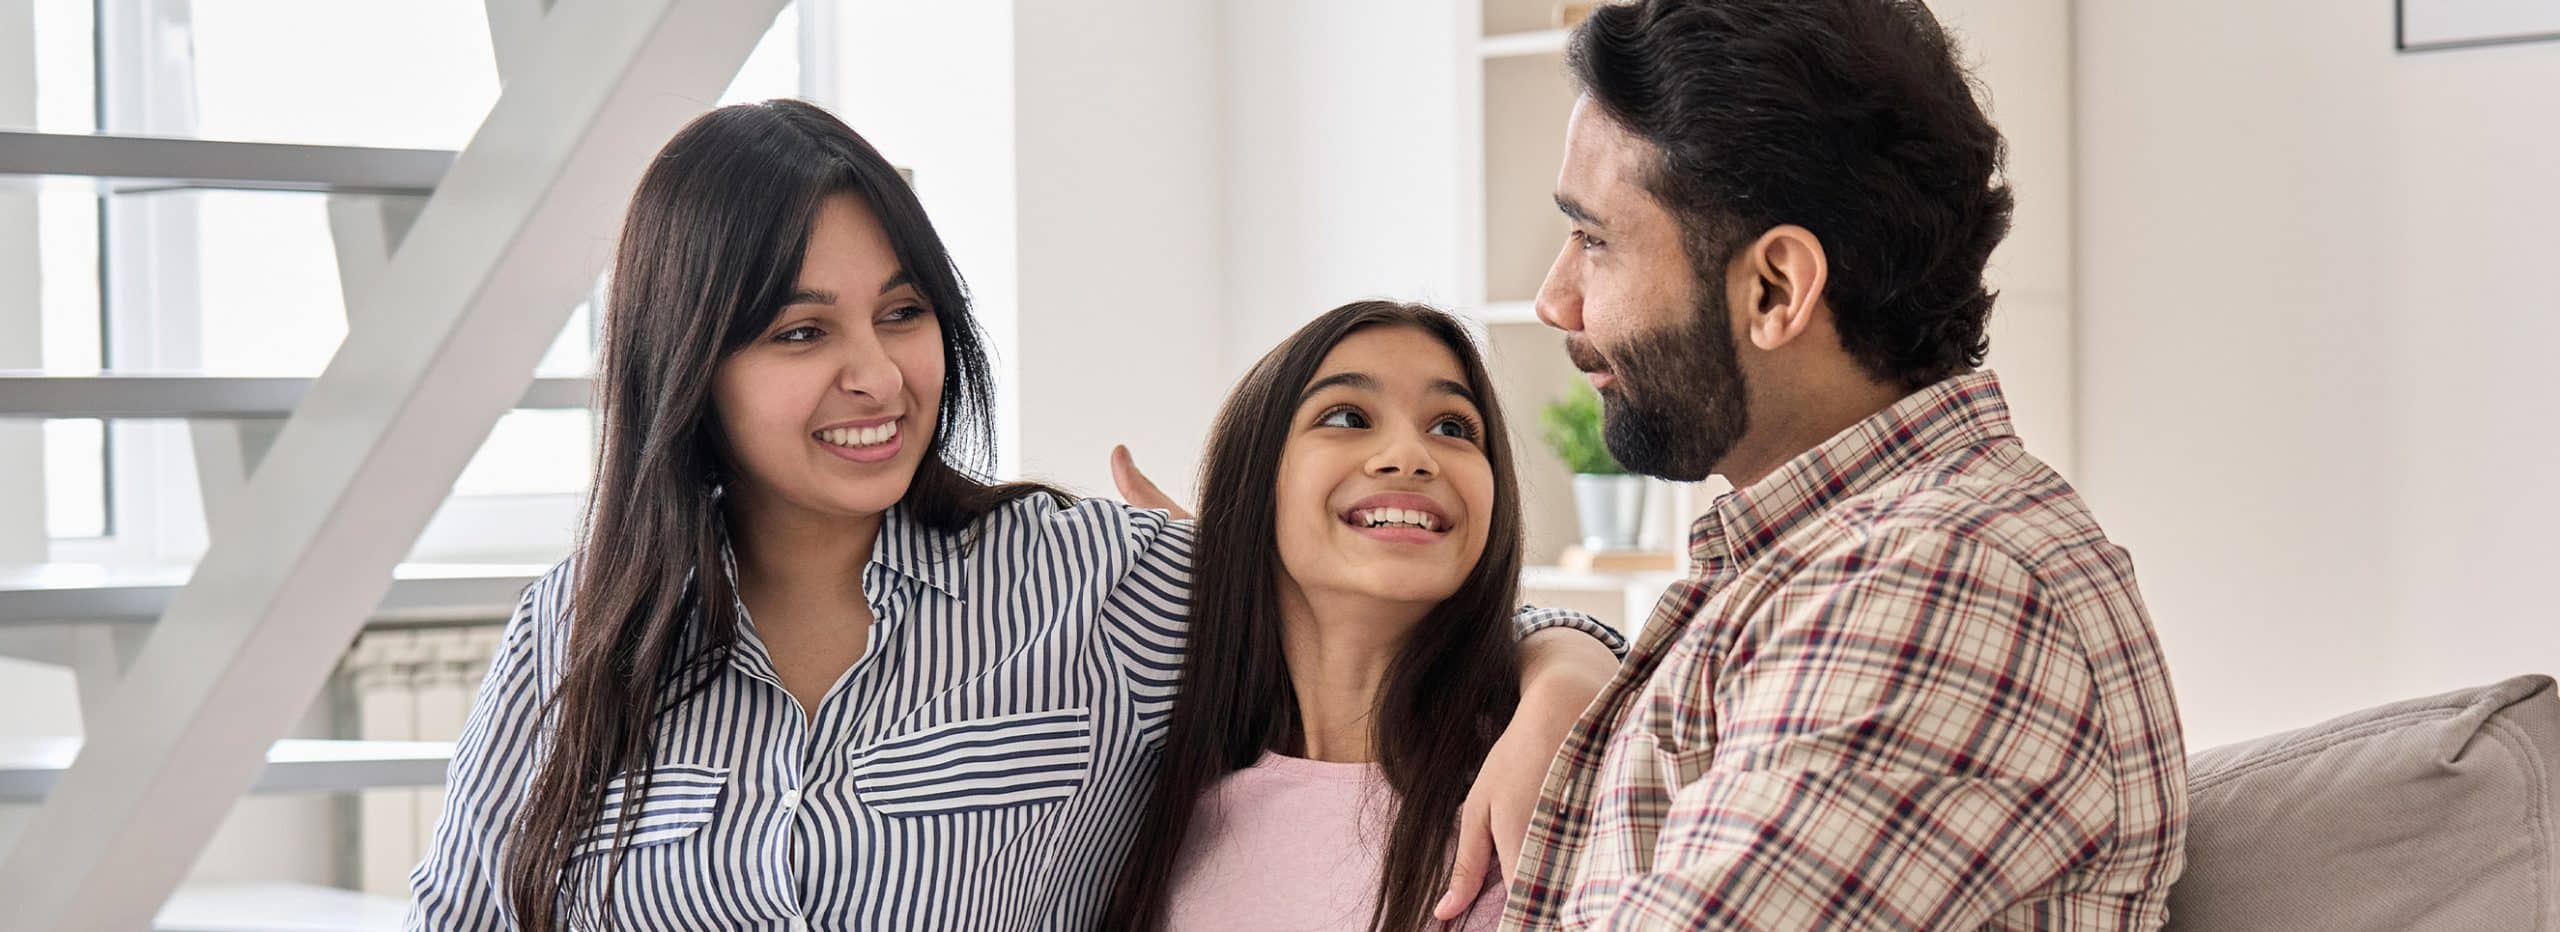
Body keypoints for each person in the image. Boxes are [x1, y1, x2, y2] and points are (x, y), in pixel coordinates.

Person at [403, 100, 1622, 932]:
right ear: (690, 367)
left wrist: (1560, 687)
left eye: (902, 312)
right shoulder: (572, 634)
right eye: (799, 332)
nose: (876, 376)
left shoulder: (1092, 580)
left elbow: (1424, 599)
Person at [1490, 1, 2188, 927]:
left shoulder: (1943, 581)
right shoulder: (1832, 561)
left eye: (1594, 241)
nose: (1557, 301)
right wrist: (1559, 653)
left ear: (1776, 287)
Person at [1103, 302, 1538, 931]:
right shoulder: (1155, 802)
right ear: (1254, 484)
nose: (1411, 455)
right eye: (1346, 417)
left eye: (1453, 427)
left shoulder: (1543, 778)